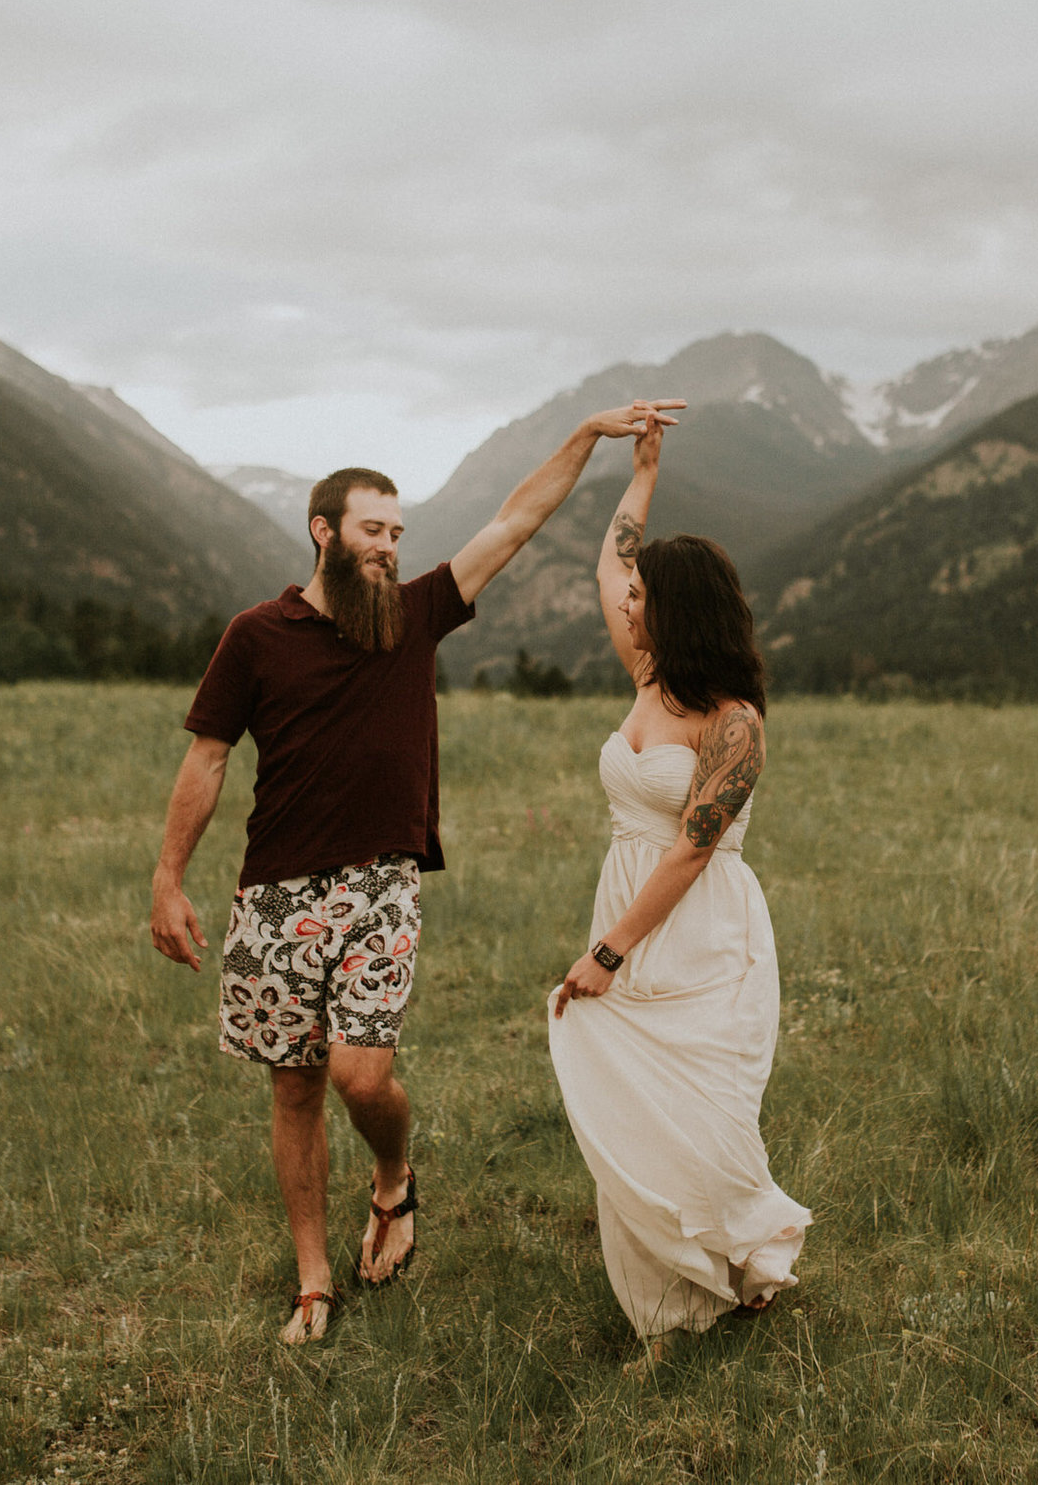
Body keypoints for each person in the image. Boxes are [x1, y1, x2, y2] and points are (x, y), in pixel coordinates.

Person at [148, 398, 683, 1346]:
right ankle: (314, 1278)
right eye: (373, 530)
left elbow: (516, 519)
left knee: (360, 1075)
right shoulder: (255, 635)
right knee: (294, 1085)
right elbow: (207, 759)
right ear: (324, 531)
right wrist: (168, 880)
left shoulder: (416, 614)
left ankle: (393, 1181)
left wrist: (588, 440)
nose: (390, 546)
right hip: (273, 892)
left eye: (398, 531)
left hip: (381, 881)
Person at [546, 414, 810, 1373]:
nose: (632, 604)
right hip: (625, 898)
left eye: (650, 597)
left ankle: (706, 1291)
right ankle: (665, 1301)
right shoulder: (650, 676)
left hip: (695, 929)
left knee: (700, 1110)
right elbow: (611, 566)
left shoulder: (734, 725)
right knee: (632, 1105)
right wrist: (642, 472)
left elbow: (694, 851)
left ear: (682, 610)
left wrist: (609, 951)